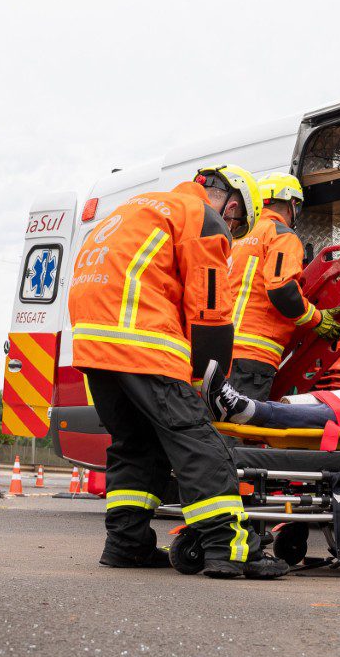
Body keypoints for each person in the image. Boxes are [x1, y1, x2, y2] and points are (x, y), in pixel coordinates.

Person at [66, 165, 289, 579]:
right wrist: (209, 383)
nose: (230, 234)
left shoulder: (138, 208)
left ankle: (126, 544)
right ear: (233, 208)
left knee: (136, 446)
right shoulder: (202, 218)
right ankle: (229, 548)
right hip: (143, 343)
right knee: (198, 442)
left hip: (93, 347)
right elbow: (209, 312)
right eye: (236, 227)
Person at [226, 172, 340, 400]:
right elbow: (281, 289)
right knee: (242, 421)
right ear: (292, 205)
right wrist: (316, 319)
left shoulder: (237, 237)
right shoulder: (281, 235)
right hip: (253, 356)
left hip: (221, 351)